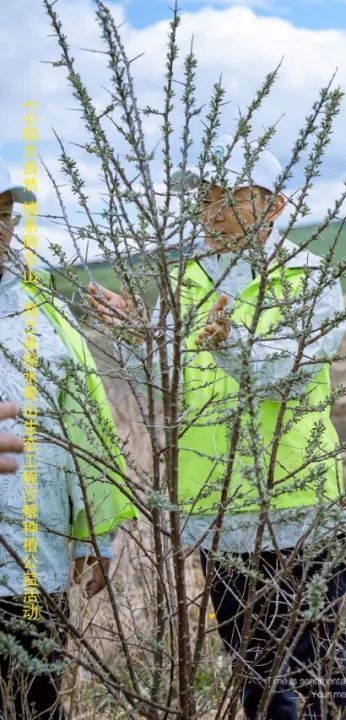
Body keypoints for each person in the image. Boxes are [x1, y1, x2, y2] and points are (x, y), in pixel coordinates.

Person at [87, 145, 346, 720]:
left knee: (318, 671)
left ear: (277, 205)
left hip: (299, 509)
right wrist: (138, 338)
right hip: (219, 517)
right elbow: (169, 379)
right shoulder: (183, 279)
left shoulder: (309, 277)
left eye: (232, 197)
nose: (213, 211)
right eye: (204, 197)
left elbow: (287, 371)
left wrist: (230, 344)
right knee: (255, 675)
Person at [0, 157, 135, 719]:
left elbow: (89, 430)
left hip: (34, 562)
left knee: (36, 707)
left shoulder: (46, 315)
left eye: (3, 213)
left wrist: (93, 537)